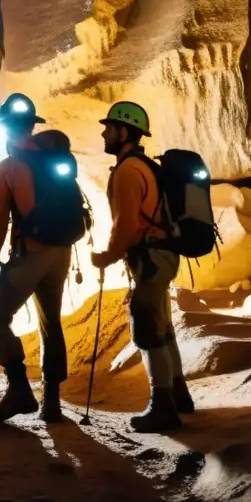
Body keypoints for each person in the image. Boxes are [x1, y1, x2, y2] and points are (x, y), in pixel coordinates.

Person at [90, 101, 192, 433]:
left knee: (147, 331)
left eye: (109, 128)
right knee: (163, 328)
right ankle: (180, 395)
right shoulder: (145, 166)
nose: (104, 134)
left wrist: (106, 256)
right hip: (162, 255)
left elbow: (127, 226)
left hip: (149, 258)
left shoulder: (128, 171)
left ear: (123, 131)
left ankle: (163, 407)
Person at [0, 93, 72, 423]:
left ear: (5, 128)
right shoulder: (54, 160)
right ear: (31, 126)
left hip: (31, 253)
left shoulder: (9, 166)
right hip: (62, 253)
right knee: (51, 322)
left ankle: (19, 390)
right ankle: (52, 403)